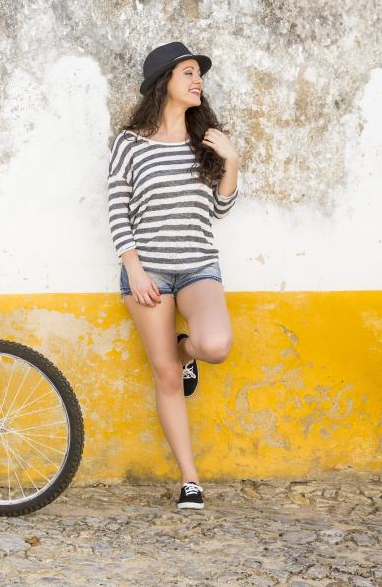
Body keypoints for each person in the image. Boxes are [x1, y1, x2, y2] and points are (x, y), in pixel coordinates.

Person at [107, 41, 240, 510]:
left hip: (199, 263)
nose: (197, 80)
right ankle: (190, 479)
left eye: (198, 74)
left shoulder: (206, 141)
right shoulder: (131, 143)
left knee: (215, 345)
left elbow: (220, 209)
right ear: (165, 83)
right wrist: (135, 270)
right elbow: (118, 209)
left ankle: (187, 350)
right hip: (149, 273)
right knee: (165, 376)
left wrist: (232, 162)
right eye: (188, 72)